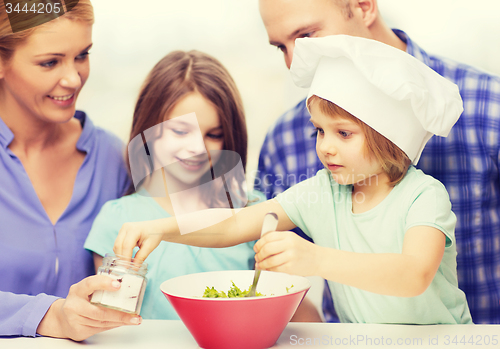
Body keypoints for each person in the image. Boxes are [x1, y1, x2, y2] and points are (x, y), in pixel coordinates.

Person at [113, 35, 472, 324]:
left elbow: (414, 275)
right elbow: (232, 224)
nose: (326, 148)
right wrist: (162, 227)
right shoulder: (322, 191)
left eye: (344, 134)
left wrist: (316, 259)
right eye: (319, 131)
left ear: (388, 137)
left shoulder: (424, 196)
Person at [254, 0, 500, 324]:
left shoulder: (489, 106)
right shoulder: (283, 140)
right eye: (281, 48)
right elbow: (271, 271)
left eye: (307, 36)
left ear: (363, 6)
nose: (293, 63)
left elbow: (414, 272)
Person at [84, 50, 266, 319]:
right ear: (149, 130)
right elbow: (109, 321)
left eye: (214, 135)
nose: (197, 148)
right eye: (180, 131)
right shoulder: (116, 219)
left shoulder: (252, 211)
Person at [0, 1, 141, 340]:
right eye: (50, 62)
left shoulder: (113, 158)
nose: (73, 78)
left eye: (82, 55)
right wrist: (50, 316)